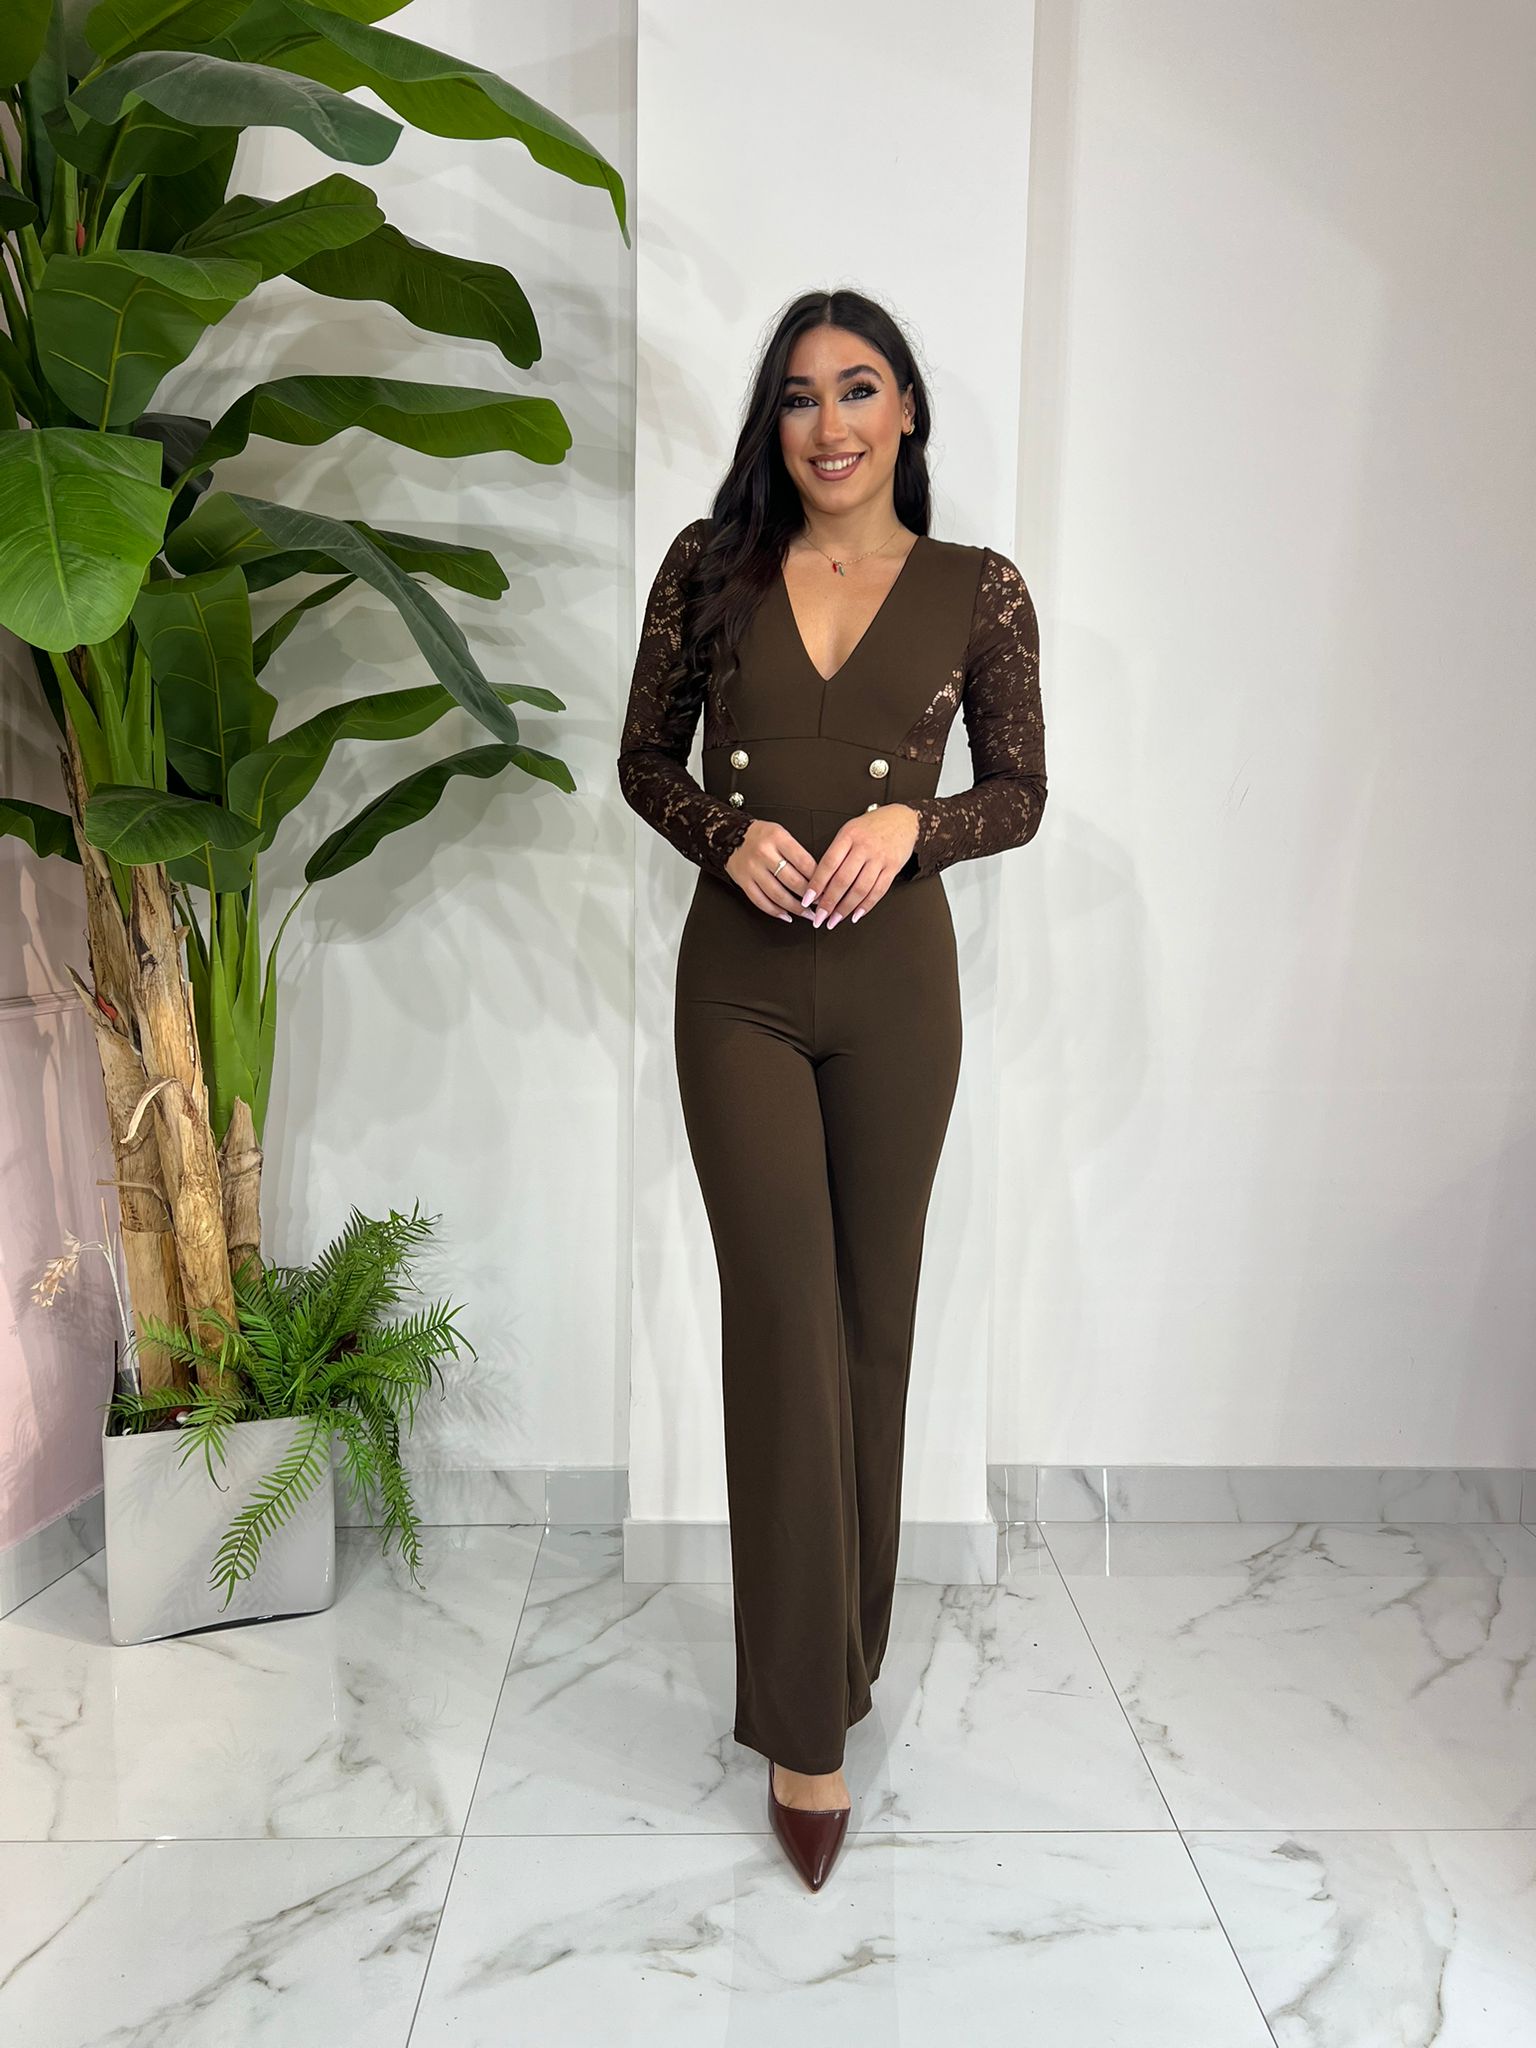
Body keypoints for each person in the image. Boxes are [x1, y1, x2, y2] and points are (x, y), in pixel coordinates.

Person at [617, 288, 1047, 1890]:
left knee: (873, 1331)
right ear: (774, 424)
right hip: (737, 986)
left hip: (897, 997)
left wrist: (915, 827)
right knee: (785, 1322)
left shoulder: (977, 590)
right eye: (799, 397)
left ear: (907, 410)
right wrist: (723, 833)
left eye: (860, 390)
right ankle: (805, 1729)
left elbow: (1023, 789)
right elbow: (642, 759)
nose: (831, 424)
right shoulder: (707, 568)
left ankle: (844, 1660)